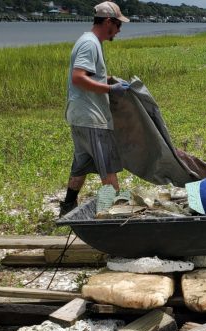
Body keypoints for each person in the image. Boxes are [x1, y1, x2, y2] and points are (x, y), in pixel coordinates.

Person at [59, 1, 130, 217]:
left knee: (81, 164)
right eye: (118, 26)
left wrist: (107, 78)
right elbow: (78, 78)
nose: (119, 31)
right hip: (92, 118)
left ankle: (67, 207)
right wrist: (110, 88)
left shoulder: (89, 42)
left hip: (80, 117)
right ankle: (115, 212)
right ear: (108, 21)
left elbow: (88, 75)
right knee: (108, 170)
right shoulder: (90, 44)